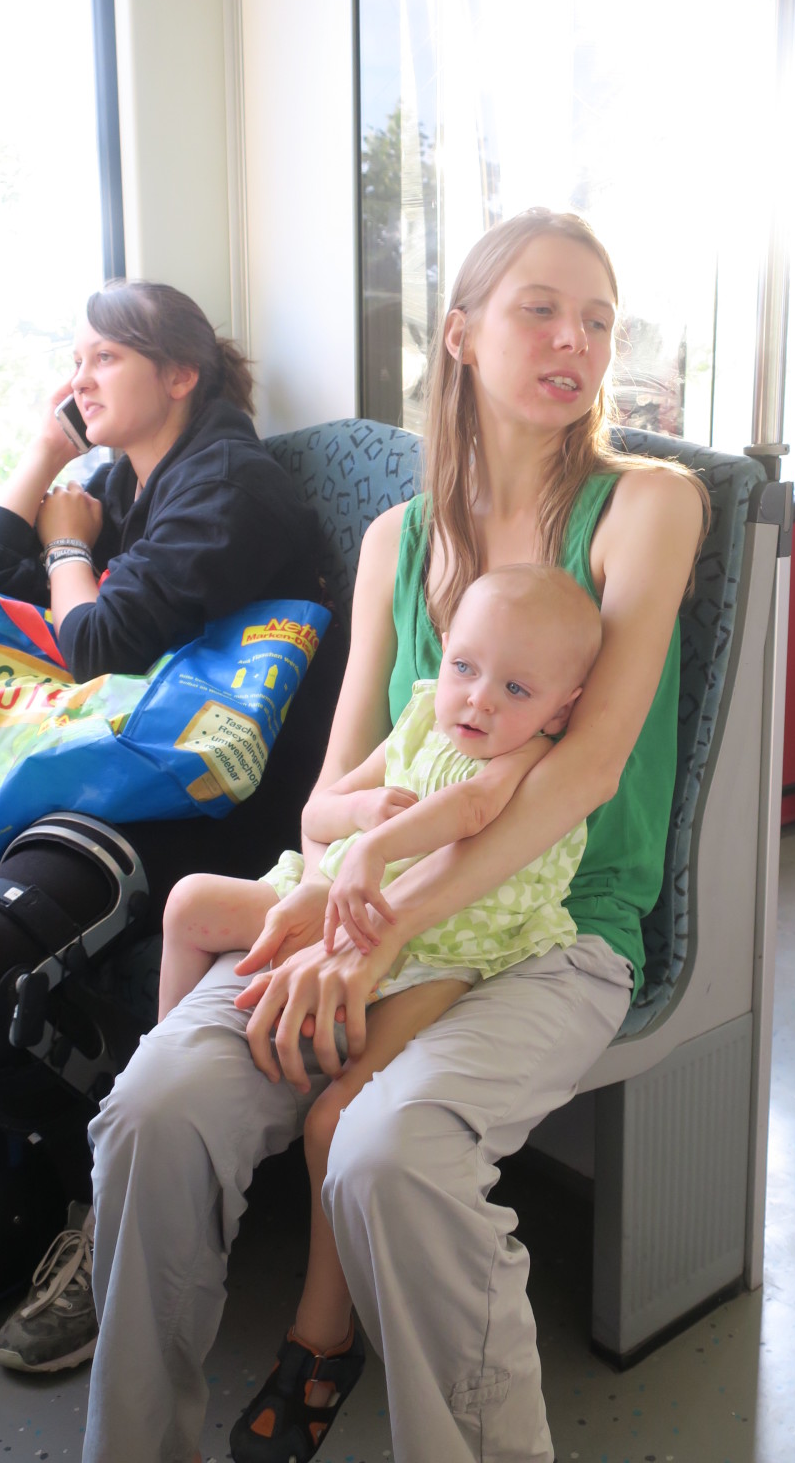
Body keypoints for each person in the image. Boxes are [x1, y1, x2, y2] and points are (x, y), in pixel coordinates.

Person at [85, 209, 709, 1463]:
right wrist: (344, 885)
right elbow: (327, 801)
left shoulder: (648, 505)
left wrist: (379, 926)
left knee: (389, 1152)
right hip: (354, 904)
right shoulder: (395, 542)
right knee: (154, 1106)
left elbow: (584, 770)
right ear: (461, 336)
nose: (577, 341)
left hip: (552, 927)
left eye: (597, 320)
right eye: (542, 310)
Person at [0, 281, 337, 1369]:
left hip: (205, 809)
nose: (80, 379)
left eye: (102, 359)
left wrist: (69, 547)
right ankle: (6, 1186)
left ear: (180, 374)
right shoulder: (117, 481)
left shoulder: (231, 484)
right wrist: (44, 454)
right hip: (98, 775)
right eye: (74, 362)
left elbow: (100, 642)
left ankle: (97, 1195)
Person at [157, 563, 602, 1462]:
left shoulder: (528, 754)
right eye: (467, 667)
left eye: (516, 689)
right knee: (189, 905)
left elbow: (472, 807)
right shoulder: (425, 709)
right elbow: (322, 809)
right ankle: (179, 1063)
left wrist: (375, 847)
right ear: (446, 654)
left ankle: (325, 1326)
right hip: (348, 904)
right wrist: (359, 812)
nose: (479, 700)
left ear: (563, 707)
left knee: (337, 1119)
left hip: (448, 942)